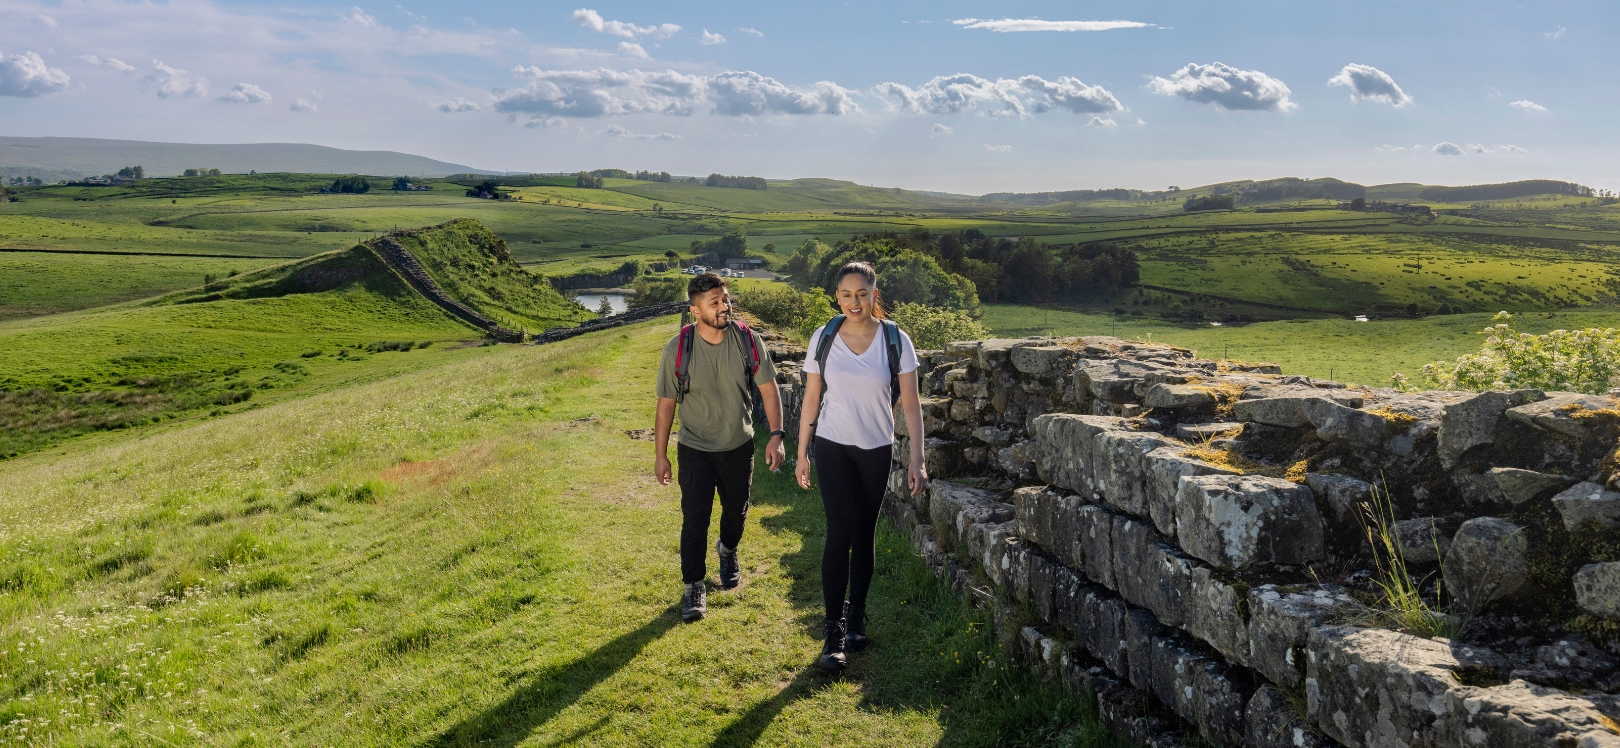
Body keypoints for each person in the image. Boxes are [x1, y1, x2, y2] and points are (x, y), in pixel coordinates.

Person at [795, 261, 927, 672]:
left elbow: (911, 404)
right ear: (837, 296)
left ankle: (856, 616)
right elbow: (812, 398)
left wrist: (918, 459)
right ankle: (832, 633)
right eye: (846, 295)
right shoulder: (824, 336)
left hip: (875, 447)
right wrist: (802, 452)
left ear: (874, 294)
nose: (855, 302)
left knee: (864, 532)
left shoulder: (895, 339)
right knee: (839, 532)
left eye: (862, 294)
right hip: (832, 444)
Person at [655, 272, 786, 623]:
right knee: (695, 519)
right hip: (694, 447)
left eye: (725, 299)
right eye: (714, 302)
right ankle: (693, 585)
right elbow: (666, 403)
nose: (724, 306)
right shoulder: (677, 349)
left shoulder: (747, 340)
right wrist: (660, 454)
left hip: (738, 445)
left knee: (736, 512)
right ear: (695, 311)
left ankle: (728, 549)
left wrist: (776, 435)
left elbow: (769, 389)